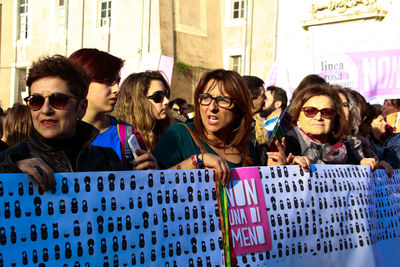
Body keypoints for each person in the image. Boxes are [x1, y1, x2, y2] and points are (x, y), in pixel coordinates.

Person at [0, 55, 124, 190]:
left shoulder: (107, 160)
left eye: (59, 100)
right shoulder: (12, 159)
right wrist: (10, 172)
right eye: (36, 101)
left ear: (81, 108)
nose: (46, 110)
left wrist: (148, 181)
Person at [153, 69, 289, 186]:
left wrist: (271, 173)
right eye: (206, 98)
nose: (212, 107)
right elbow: (152, 185)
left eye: (223, 100)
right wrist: (197, 161)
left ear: (238, 109)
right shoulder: (179, 135)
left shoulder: (247, 146)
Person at [69, 48, 158, 170]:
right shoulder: (58, 132)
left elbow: (143, 182)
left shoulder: (127, 134)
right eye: (108, 82)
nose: (117, 89)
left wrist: (153, 173)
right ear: (82, 82)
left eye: (117, 81)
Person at [285, 84, 348, 169]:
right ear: (297, 115)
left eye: (327, 112)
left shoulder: (345, 148)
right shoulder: (287, 144)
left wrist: (363, 164)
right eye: (310, 111)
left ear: (335, 117)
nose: (318, 117)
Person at [335, 86, 393, 176]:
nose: (359, 121)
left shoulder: (353, 142)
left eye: (346, 106)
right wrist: (359, 166)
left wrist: (377, 166)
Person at [113, 71, 172, 152]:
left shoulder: (167, 133)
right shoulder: (117, 138)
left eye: (166, 94)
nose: (166, 101)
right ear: (138, 101)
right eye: (158, 96)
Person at [243, 75, 269, 165]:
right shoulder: (233, 128)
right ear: (250, 98)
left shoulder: (255, 126)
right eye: (262, 95)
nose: (265, 98)